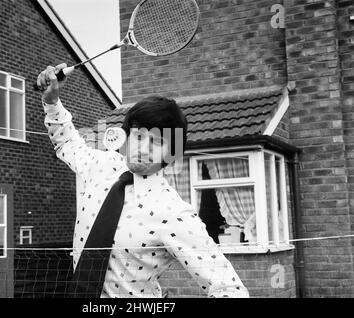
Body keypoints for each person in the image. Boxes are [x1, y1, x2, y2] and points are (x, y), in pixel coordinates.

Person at [37, 64, 249, 298]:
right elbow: (68, 143)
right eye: (139, 136)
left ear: (172, 151)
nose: (144, 148)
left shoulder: (173, 211)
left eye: (157, 142)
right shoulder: (102, 166)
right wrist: (52, 101)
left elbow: (230, 288)